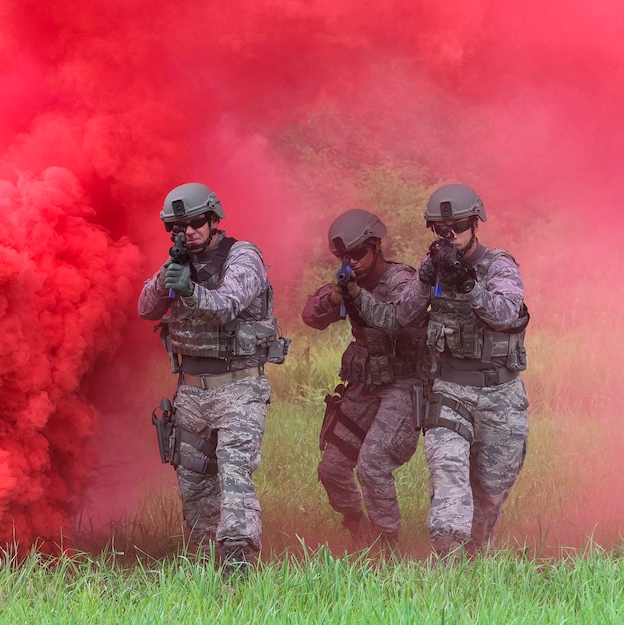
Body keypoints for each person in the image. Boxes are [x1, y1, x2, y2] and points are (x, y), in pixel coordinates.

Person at [138, 182, 288, 581]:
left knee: (235, 477)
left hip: (238, 387)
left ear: (214, 220)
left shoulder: (242, 257)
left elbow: (226, 307)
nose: (188, 231)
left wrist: (188, 289)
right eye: (179, 226)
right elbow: (145, 308)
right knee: (194, 488)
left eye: (196, 223)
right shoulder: (180, 261)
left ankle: (239, 570)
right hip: (191, 391)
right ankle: (209, 573)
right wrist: (167, 278)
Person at [397, 184, 530, 559]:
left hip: (499, 395)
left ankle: (475, 563)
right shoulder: (434, 268)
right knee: (449, 476)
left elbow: (505, 314)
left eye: (456, 226)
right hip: (450, 389)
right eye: (441, 229)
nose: (449, 235)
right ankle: (447, 565)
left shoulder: (499, 265)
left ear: (475, 224)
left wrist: (468, 284)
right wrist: (427, 277)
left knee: (489, 495)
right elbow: (402, 316)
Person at [301, 209, 425, 548]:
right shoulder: (350, 283)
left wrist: (355, 296)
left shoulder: (402, 280)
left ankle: (387, 544)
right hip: (366, 386)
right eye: (344, 257)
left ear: (376, 246)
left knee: (372, 462)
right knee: (332, 467)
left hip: (403, 383)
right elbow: (311, 316)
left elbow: (395, 320)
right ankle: (357, 529)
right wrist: (337, 297)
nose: (351, 262)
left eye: (357, 254)